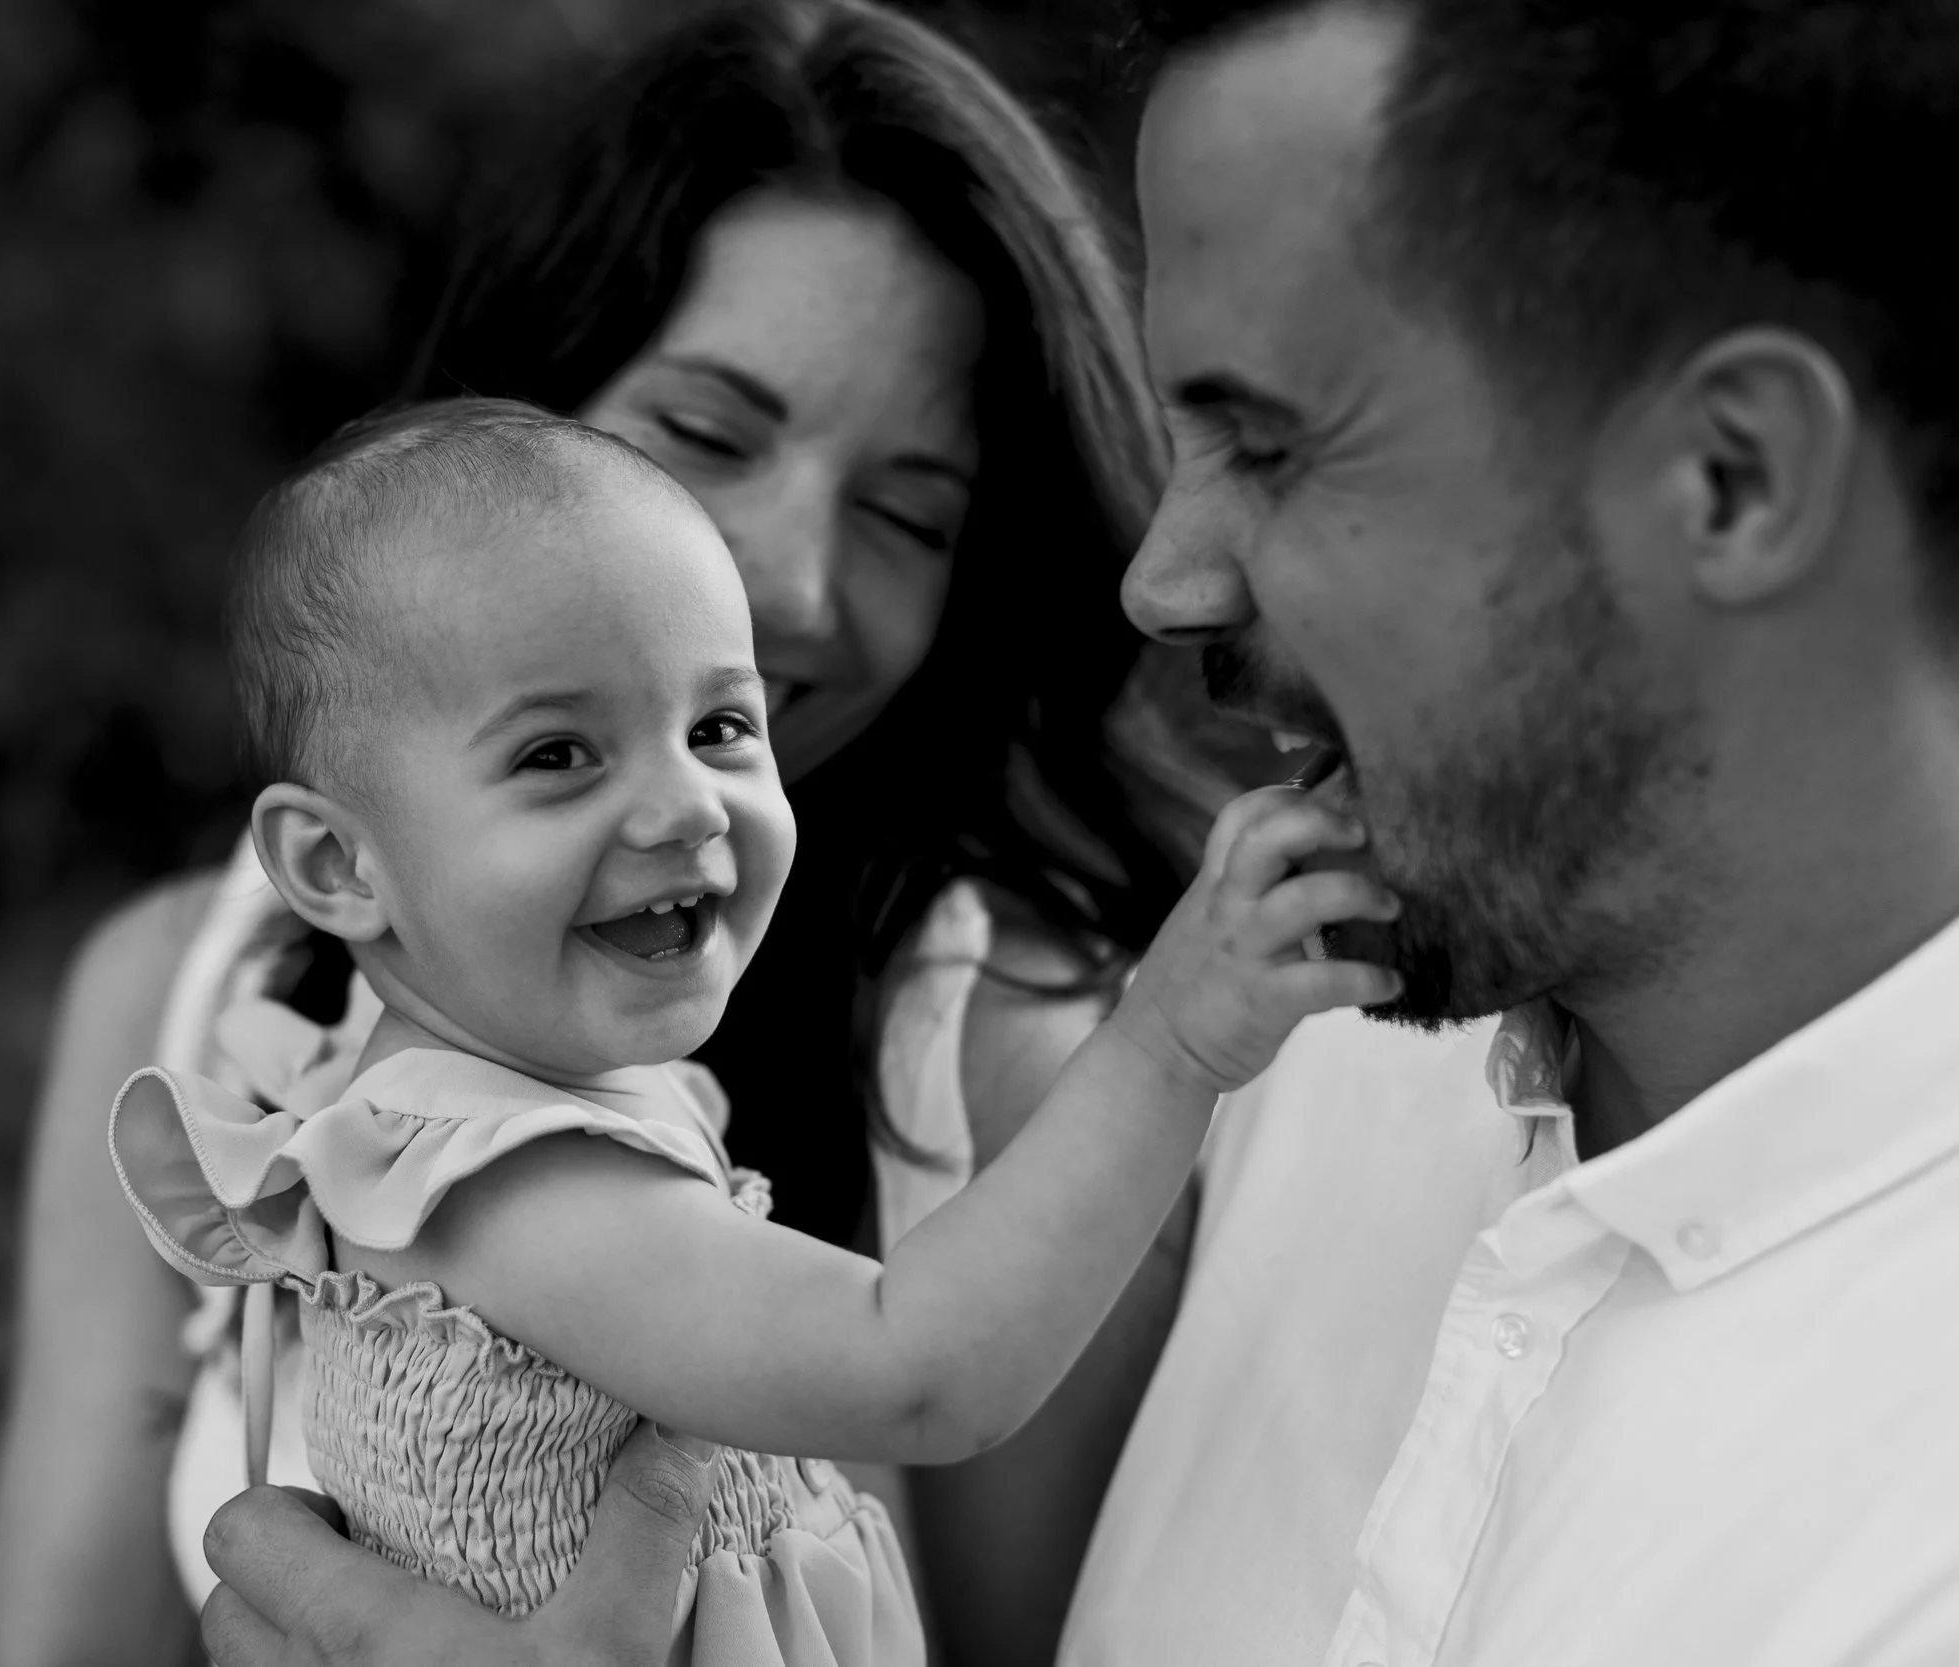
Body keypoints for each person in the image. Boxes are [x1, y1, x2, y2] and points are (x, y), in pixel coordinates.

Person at [189, 0, 1959, 1663]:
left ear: (1730, 476)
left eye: (1269, 447)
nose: (1160, 578)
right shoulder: (1266, 1071)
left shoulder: (1142, 1057)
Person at [0, 6, 1262, 1664]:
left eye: (909, 511)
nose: (792, 581)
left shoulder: (1012, 1053)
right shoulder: (195, 1006)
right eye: (707, 434)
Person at [112, 395, 1393, 1661]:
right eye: (558, 753)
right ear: (337, 864)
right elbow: (923, 1367)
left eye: (719, 726)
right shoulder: (512, 1186)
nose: (685, 805)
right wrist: (1171, 1042)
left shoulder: (528, 1102)